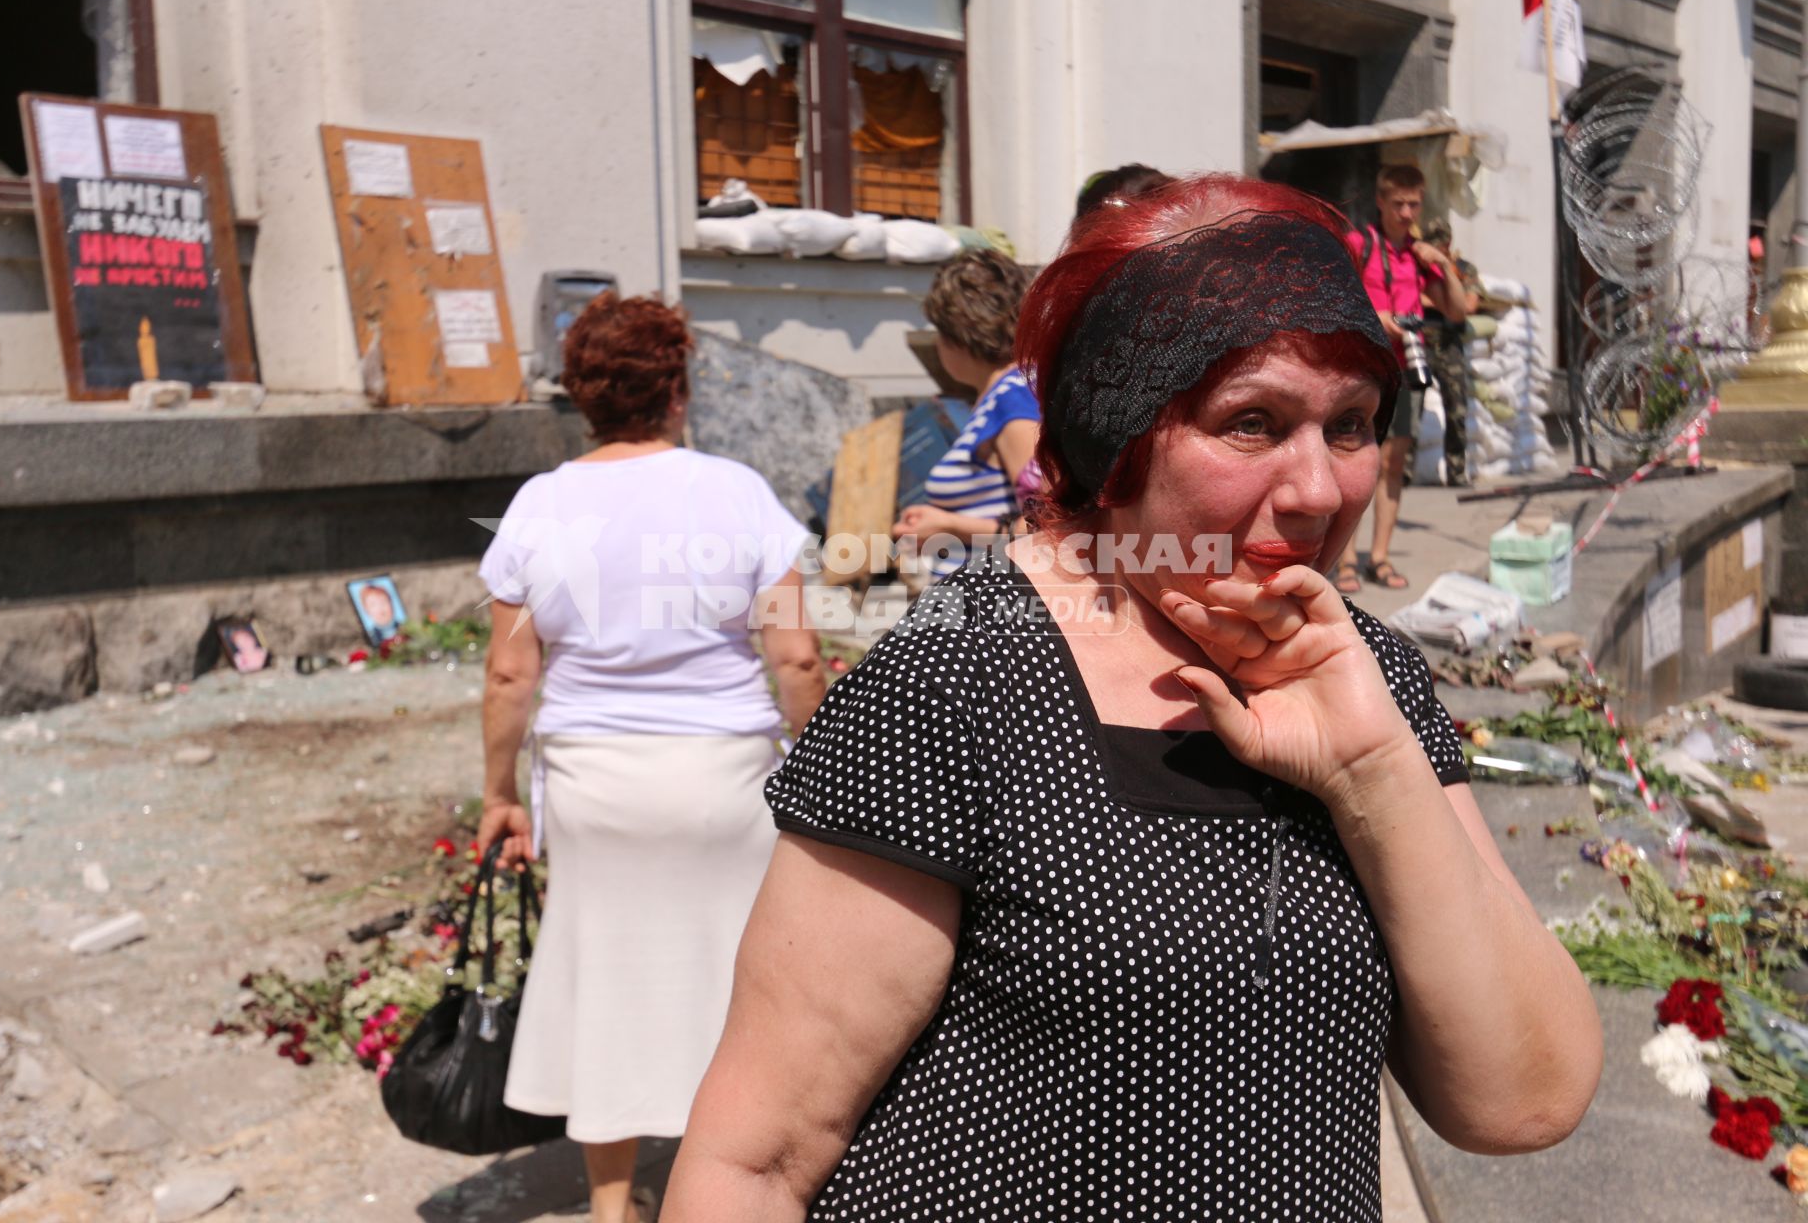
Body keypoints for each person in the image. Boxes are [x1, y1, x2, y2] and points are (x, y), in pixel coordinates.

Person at [664, 174, 1600, 1221]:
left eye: (1351, 424)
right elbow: (753, 1160)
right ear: (1116, 440)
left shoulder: (1363, 668)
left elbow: (1526, 1098)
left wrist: (1372, 769)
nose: (1322, 487)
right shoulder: (954, 680)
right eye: (1253, 422)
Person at [475, 293, 827, 1223]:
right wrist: (823, 762)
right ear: (677, 389)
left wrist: (497, 794)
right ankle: (730, 1188)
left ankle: (608, 1205)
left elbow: (511, 678)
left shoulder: (540, 505)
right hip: (723, 779)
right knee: (744, 982)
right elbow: (794, 656)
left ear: (582, 400)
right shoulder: (736, 492)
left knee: (610, 980)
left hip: (595, 782)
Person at [1334, 163, 1468, 594]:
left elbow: (1458, 312)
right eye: (1399, 204)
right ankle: (1347, 560)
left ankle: (1380, 557)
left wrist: (1444, 265)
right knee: (1356, 464)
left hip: (1406, 369)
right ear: (1381, 201)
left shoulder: (1420, 256)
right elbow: (1334, 296)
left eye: (1414, 204)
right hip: (1362, 368)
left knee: (1394, 465)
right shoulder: (1360, 245)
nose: (1407, 213)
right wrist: (1377, 318)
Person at [890, 249, 1039, 573]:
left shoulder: (1015, 399)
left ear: (957, 335)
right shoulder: (1000, 397)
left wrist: (949, 526)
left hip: (998, 611)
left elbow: (1045, 527)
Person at [1421, 219, 1483, 489]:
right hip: (1421, 341)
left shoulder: (1463, 269)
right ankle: (1402, 474)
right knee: (1410, 412)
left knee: (1457, 410)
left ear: (1447, 243)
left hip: (1449, 345)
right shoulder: (1416, 268)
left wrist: (1436, 303)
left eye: (1441, 244)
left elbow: (1469, 305)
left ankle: (1457, 472)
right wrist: (1448, 304)